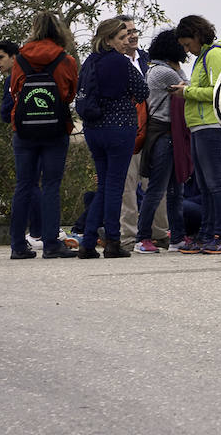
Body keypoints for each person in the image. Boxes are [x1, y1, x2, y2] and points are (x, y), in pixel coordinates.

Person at [8, 12, 79, 259]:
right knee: (51, 185)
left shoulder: (20, 58)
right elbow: (70, 94)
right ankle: (50, 243)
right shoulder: (66, 59)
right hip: (55, 129)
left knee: (24, 185)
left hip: (24, 129)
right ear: (59, 31)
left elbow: (15, 89)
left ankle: (18, 245)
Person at [78, 18, 149, 259]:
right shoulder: (122, 62)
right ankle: (112, 241)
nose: (126, 41)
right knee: (115, 186)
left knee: (104, 185)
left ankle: (88, 242)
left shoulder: (89, 62)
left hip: (93, 129)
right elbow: (142, 92)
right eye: (120, 38)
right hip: (120, 128)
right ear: (108, 40)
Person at [170, 15, 221, 254]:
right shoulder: (202, 58)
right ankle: (206, 234)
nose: (188, 50)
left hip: (211, 125)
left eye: (188, 44)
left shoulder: (214, 54)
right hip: (198, 126)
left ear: (197, 35)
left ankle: (220, 234)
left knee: (215, 183)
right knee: (206, 184)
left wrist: (187, 92)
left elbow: (219, 90)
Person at [134, 28, 191, 254]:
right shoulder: (163, 72)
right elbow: (188, 86)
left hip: (169, 133)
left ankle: (177, 237)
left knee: (176, 189)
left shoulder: (156, 68)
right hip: (164, 134)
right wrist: (179, 70)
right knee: (157, 189)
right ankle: (142, 237)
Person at [0, 40, 49, 251]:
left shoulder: (12, 80)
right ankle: (41, 229)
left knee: (27, 184)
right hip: (47, 132)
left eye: (0, 57)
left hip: (24, 135)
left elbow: (6, 113)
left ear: (14, 57)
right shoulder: (38, 74)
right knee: (39, 182)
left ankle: (34, 232)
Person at [116, 15, 167, 249]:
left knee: (156, 185)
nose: (133, 35)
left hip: (153, 131)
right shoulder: (113, 62)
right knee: (127, 187)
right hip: (126, 131)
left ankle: (159, 233)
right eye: (127, 32)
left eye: (135, 30)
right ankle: (128, 237)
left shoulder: (149, 60)